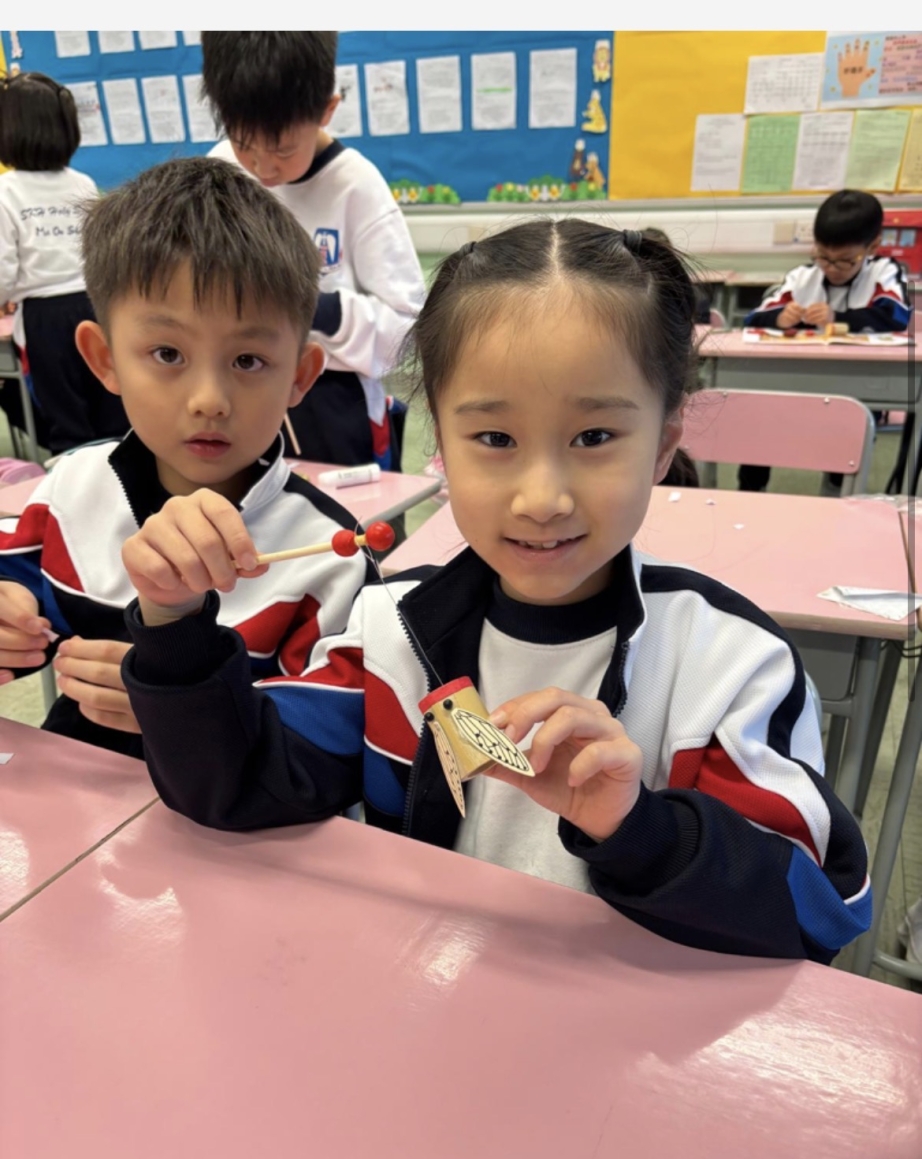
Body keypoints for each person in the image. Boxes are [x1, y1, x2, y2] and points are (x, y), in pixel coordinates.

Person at [119, 220, 870, 963]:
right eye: (496, 440)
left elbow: (818, 915)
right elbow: (233, 788)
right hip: (426, 1006)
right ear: (441, 449)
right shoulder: (389, 634)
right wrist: (173, 621)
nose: (542, 499)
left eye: (595, 438)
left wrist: (640, 829)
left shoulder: (729, 666)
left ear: (663, 444)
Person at [0, 157, 371, 757]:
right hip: (77, 797)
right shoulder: (71, 488)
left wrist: (184, 709)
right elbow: (17, 585)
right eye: (168, 353)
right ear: (104, 359)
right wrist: (10, 621)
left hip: (231, 813)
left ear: (299, 377)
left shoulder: (331, 554)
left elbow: (329, 750)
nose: (209, 400)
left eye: (248, 360)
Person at [201, 31, 425, 471]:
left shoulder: (357, 188)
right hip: (243, 389)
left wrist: (320, 310)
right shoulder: (221, 171)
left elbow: (408, 331)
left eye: (283, 148)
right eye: (243, 143)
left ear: (326, 110)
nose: (263, 167)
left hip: (336, 403)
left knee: (347, 513)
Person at [741, 189, 912, 492]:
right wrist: (779, 318)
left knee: (847, 434)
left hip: (858, 388)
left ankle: (836, 491)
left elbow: (896, 316)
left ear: (872, 247)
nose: (831, 268)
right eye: (823, 257)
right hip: (796, 385)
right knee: (758, 416)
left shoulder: (884, 273)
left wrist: (839, 319)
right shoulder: (802, 278)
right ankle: (750, 491)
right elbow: (754, 319)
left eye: (845, 261)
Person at [0, 71, 130, 454]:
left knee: (67, 419)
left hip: (45, 320)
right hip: (96, 306)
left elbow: (3, 268)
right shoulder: (82, 183)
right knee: (112, 405)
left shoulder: (6, 191)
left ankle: (76, 478)